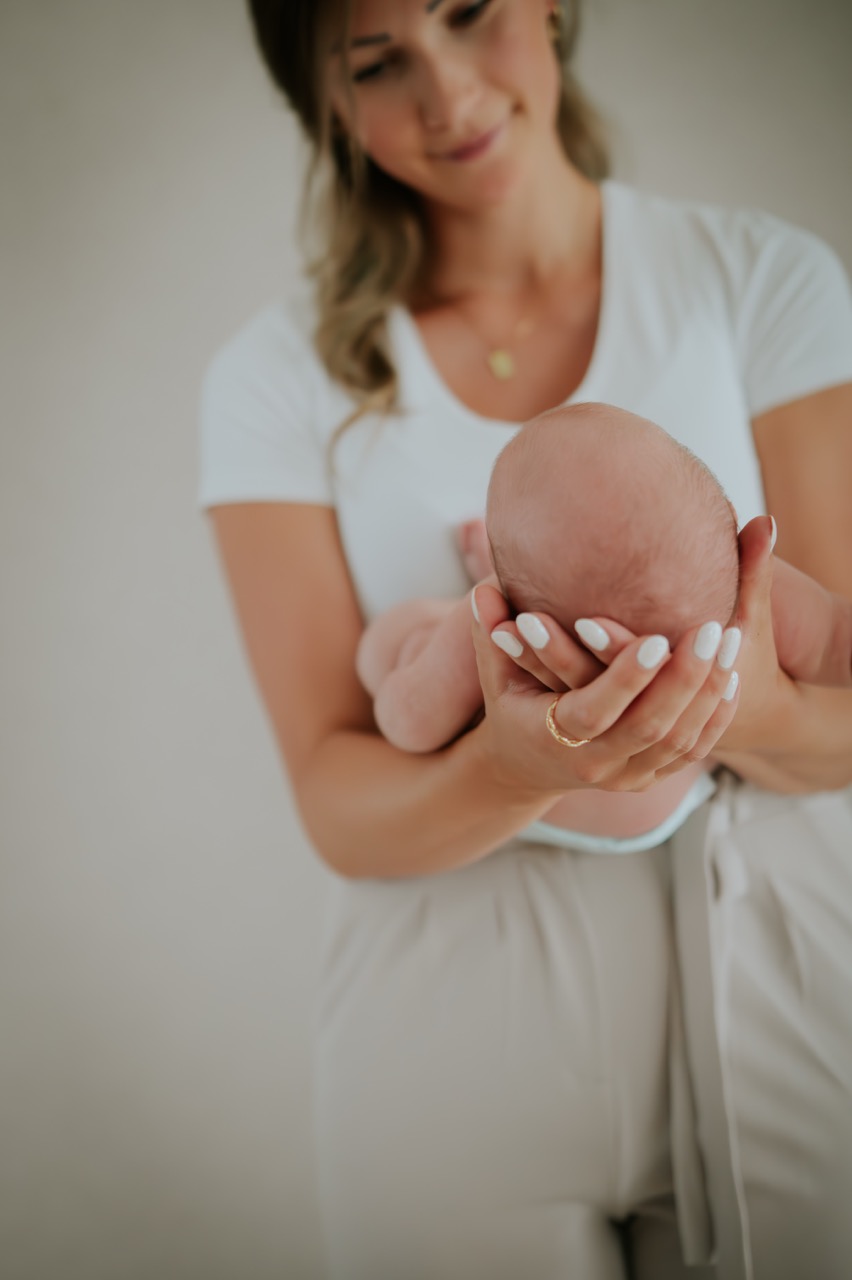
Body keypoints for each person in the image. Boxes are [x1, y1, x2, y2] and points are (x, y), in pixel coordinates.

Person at [197, 2, 852, 1276]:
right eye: (377, 63)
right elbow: (335, 796)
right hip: (450, 1023)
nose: (444, 93)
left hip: (778, 976)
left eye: (468, 13)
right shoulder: (274, 377)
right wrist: (518, 761)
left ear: (551, 5)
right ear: (326, 103)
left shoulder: (756, 280)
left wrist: (729, 701)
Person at [357, 401, 852, 852]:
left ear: (513, 598)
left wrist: (445, 645)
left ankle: (478, 586)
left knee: (387, 647)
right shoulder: (748, 585)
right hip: (657, 794)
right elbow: (835, 641)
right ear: (725, 518)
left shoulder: (496, 629)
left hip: (587, 809)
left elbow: (408, 725)